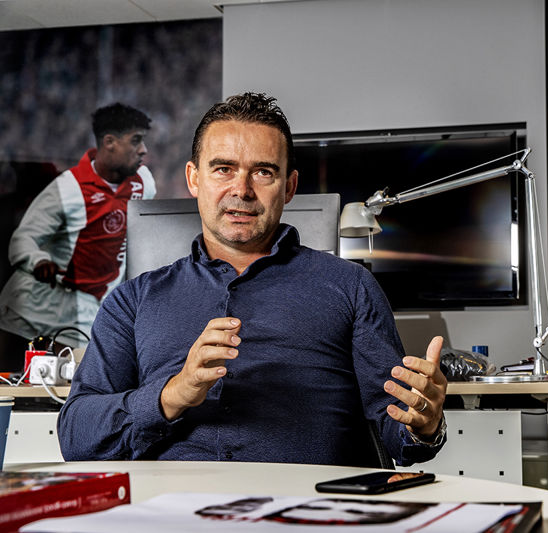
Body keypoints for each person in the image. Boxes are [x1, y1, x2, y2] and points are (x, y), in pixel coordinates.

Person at [57, 93, 447, 467]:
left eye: (263, 172)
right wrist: (173, 394)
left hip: (306, 505)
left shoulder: (352, 288)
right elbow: (77, 436)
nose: (241, 190)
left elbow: (399, 426)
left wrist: (423, 425)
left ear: (289, 187)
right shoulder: (132, 301)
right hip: (175, 504)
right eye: (223, 169)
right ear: (194, 178)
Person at [0, 103, 155, 354]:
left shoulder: (144, 182)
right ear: (109, 142)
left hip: (91, 308)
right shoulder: (68, 188)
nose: (143, 150)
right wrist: (39, 261)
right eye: (136, 140)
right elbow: (23, 238)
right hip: (37, 308)